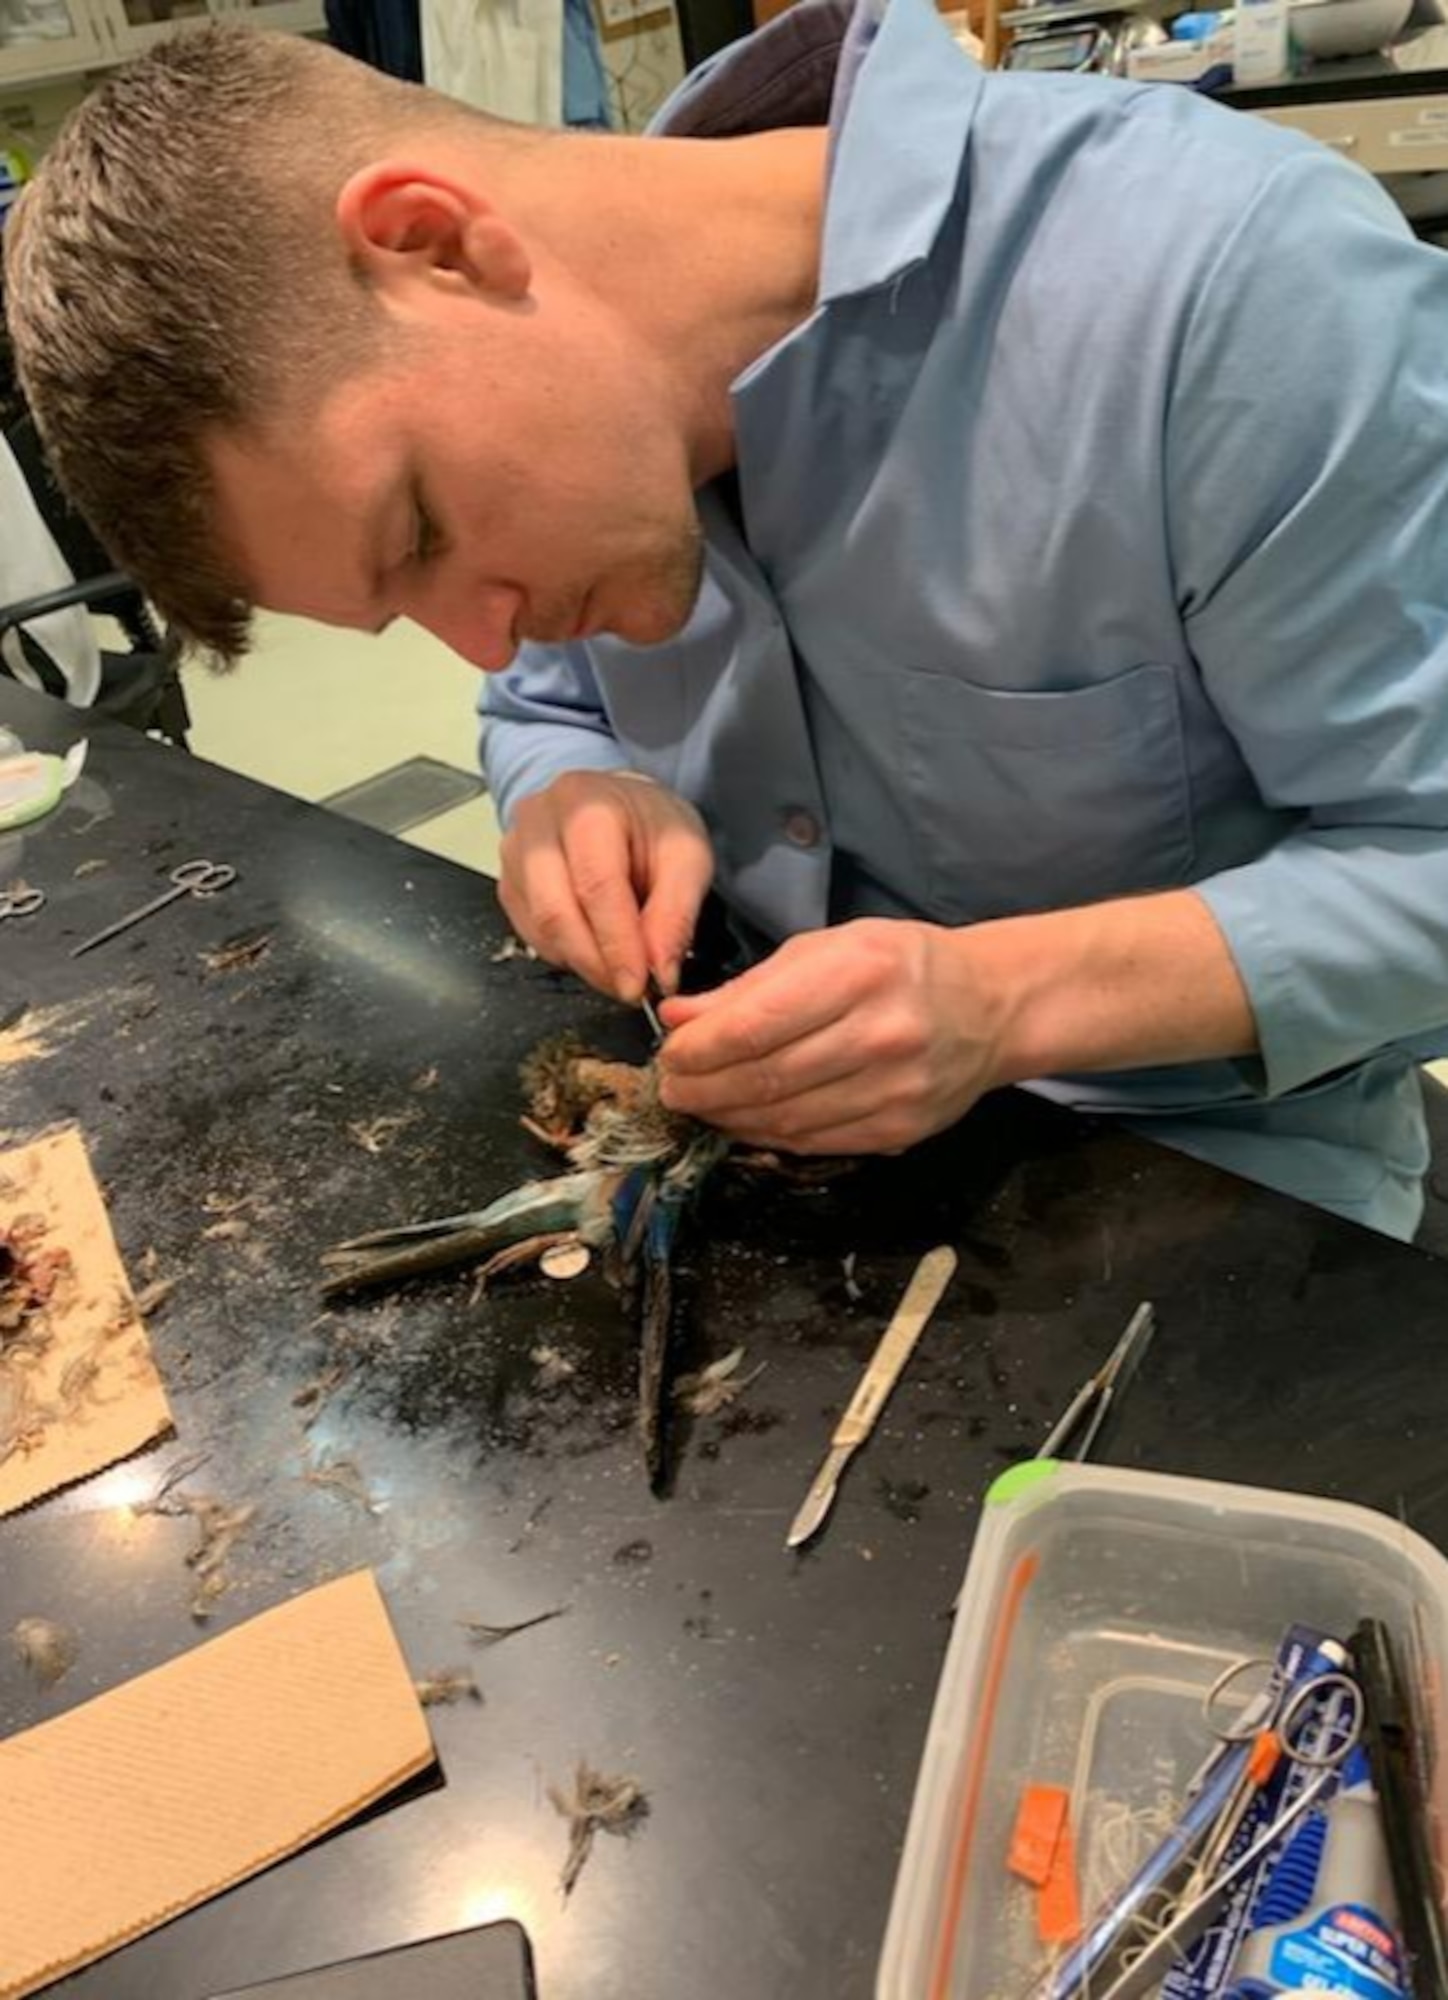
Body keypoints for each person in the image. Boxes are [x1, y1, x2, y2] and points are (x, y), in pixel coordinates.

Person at [6, 3, 1448, 1238]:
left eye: (425, 535)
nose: (485, 643)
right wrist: (572, 786)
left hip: (1207, 1178)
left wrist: (1010, 1002)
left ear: (438, 245)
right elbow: (542, 708)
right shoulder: (570, 416)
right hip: (763, 1156)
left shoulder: (1230, 293)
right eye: (404, 608)